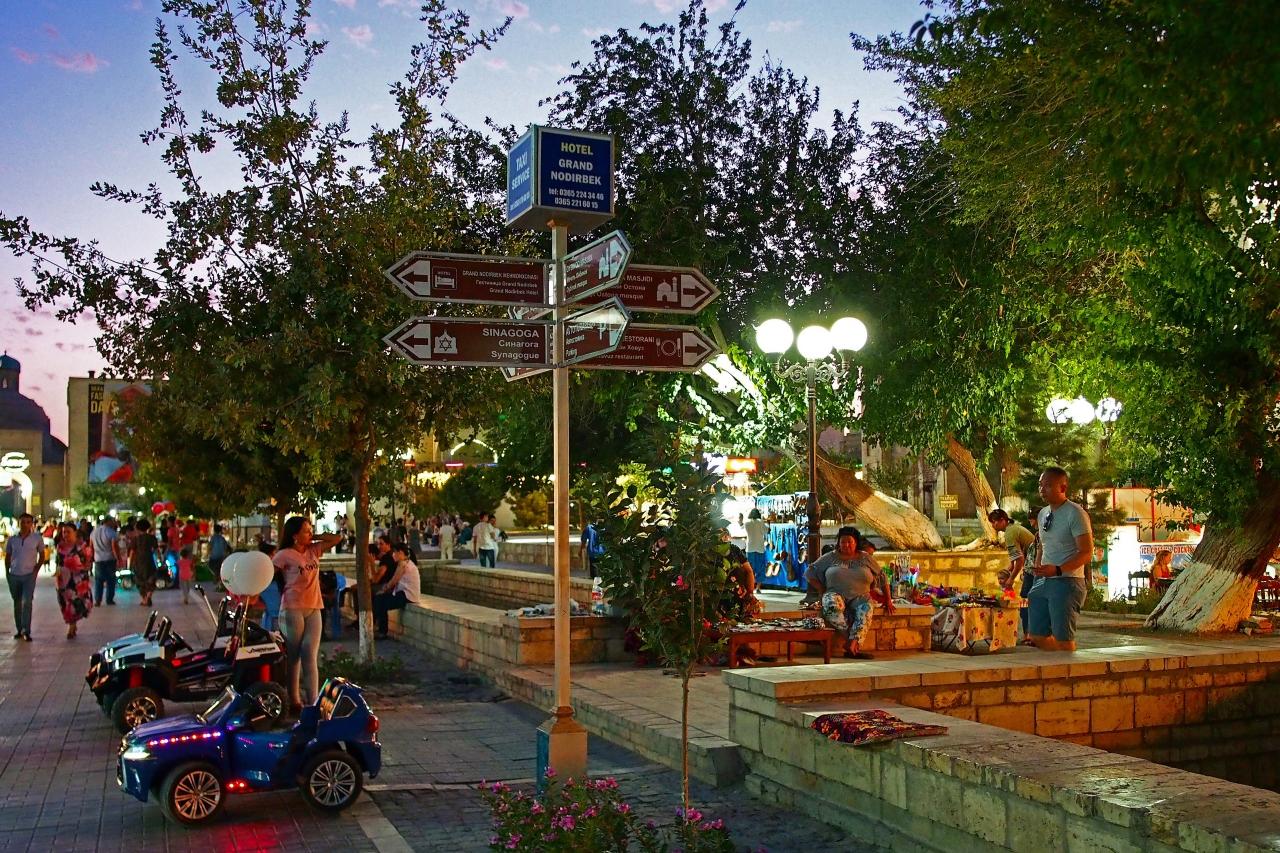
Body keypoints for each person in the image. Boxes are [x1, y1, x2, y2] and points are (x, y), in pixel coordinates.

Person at [273, 517, 343, 715]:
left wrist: (315, 536)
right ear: (294, 535)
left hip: (314, 607)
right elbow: (269, 573)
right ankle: (294, 700)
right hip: (292, 608)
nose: (310, 532)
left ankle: (313, 703)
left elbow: (337, 539)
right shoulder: (284, 555)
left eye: (310, 529)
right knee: (294, 656)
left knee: (310, 654)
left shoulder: (314, 550)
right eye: (305, 530)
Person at [1027, 466, 1093, 652]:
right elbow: (1043, 544)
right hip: (1043, 579)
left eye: (1048, 485)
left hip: (1067, 580)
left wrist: (1058, 569)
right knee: (1037, 636)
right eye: (1040, 485)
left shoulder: (1075, 513)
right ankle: (1056, 661)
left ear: (1062, 488)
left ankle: (1067, 664)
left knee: (1063, 638)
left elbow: (1086, 552)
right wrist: (1038, 567)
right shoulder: (1043, 513)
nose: (1042, 489)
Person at [812, 526, 894, 659]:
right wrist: (822, 590)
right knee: (831, 607)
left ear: (856, 543)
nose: (846, 545)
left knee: (866, 611)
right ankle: (850, 639)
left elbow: (882, 577)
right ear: (838, 543)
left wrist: (888, 599)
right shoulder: (830, 557)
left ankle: (853, 644)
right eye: (843, 542)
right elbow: (810, 573)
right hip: (835, 594)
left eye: (849, 542)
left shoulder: (865, 557)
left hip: (861, 596)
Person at [988, 508, 1036, 628]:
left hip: (1033, 568)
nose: (993, 525)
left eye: (994, 522)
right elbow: (1014, 561)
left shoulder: (1010, 533)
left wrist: (1011, 579)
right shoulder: (1013, 529)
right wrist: (1006, 572)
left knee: (1025, 601)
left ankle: (1028, 633)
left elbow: (1019, 560)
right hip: (1033, 566)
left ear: (1003, 520)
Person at [4, 513, 45, 641]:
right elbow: (8, 556)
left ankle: (26, 630)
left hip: (29, 575)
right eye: (23, 522)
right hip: (14, 574)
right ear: (19, 523)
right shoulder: (12, 539)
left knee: (27, 602)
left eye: (28, 522)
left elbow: (42, 555)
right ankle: (19, 629)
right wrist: (7, 572)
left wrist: (36, 570)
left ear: (32, 524)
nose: (25, 525)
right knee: (17, 602)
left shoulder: (37, 538)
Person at [374, 543, 421, 639]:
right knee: (379, 599)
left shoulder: (403, 564)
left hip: (407, 595)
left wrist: (384, 589)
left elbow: (394, 580)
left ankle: (382, 631)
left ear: (400, 553)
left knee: (380, 601)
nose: (393, 555)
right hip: (403, 593)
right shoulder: (404, 562)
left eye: (394, 553)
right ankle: (380, 628)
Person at [55, 522, 94, 639]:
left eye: (68, 532)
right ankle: (71, 625)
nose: (66, 534)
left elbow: (88, 563)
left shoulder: (82, 547)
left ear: (75, 533)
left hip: (78, 580)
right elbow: (58, 563)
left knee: (78, 602)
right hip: (64, 580)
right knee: (65, 603)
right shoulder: (60, 546)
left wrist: (80, 567)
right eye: (64, 532)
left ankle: (72, 625)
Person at [129, 518, 161, 607]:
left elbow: (132, 552)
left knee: (139, 580)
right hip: (149, 560)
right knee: (151, 578)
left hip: (138, 561)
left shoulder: (135, 539)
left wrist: (130, 564)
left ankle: (144, 599)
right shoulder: (152, 538)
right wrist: (160, 560)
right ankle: (149, 595)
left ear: (138, 528)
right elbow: (157, 550)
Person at [90, 516, 121, 607]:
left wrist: (91, 558)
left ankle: (98, 600)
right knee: (111, 580)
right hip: (110, 559)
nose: (114, 523)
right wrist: (118, 558)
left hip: (98, 559)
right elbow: (114, 547)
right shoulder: (111, 532)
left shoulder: (94, 532)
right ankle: (109, 599)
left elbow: (91, 546)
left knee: (98, 580)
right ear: (109, 522)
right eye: (113, 521)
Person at [743, 508, 770, 582]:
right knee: (760, 568)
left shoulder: (746, 523)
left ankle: (751, 585)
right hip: (759, 548)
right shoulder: (760, 522)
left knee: (750, 569)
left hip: (750, 548)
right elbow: (766, 531)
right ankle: (758, 586)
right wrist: (768, 524)